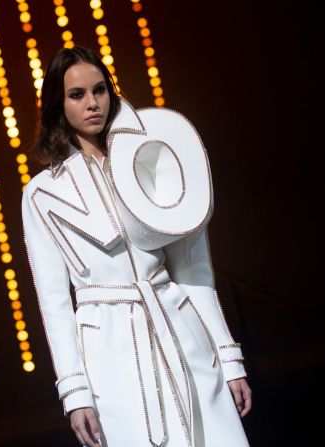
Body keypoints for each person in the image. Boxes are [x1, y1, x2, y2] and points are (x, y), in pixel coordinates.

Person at [21, 46, 252, 447]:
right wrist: (74, 391)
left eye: (100, 90)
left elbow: (193, 269)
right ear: (58, 104)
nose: (93, 103)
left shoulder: (150, 159)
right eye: (77, 95)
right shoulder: (42, 194)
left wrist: (228, 358)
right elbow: (54, 300)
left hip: (183, 333)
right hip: (111, 354)